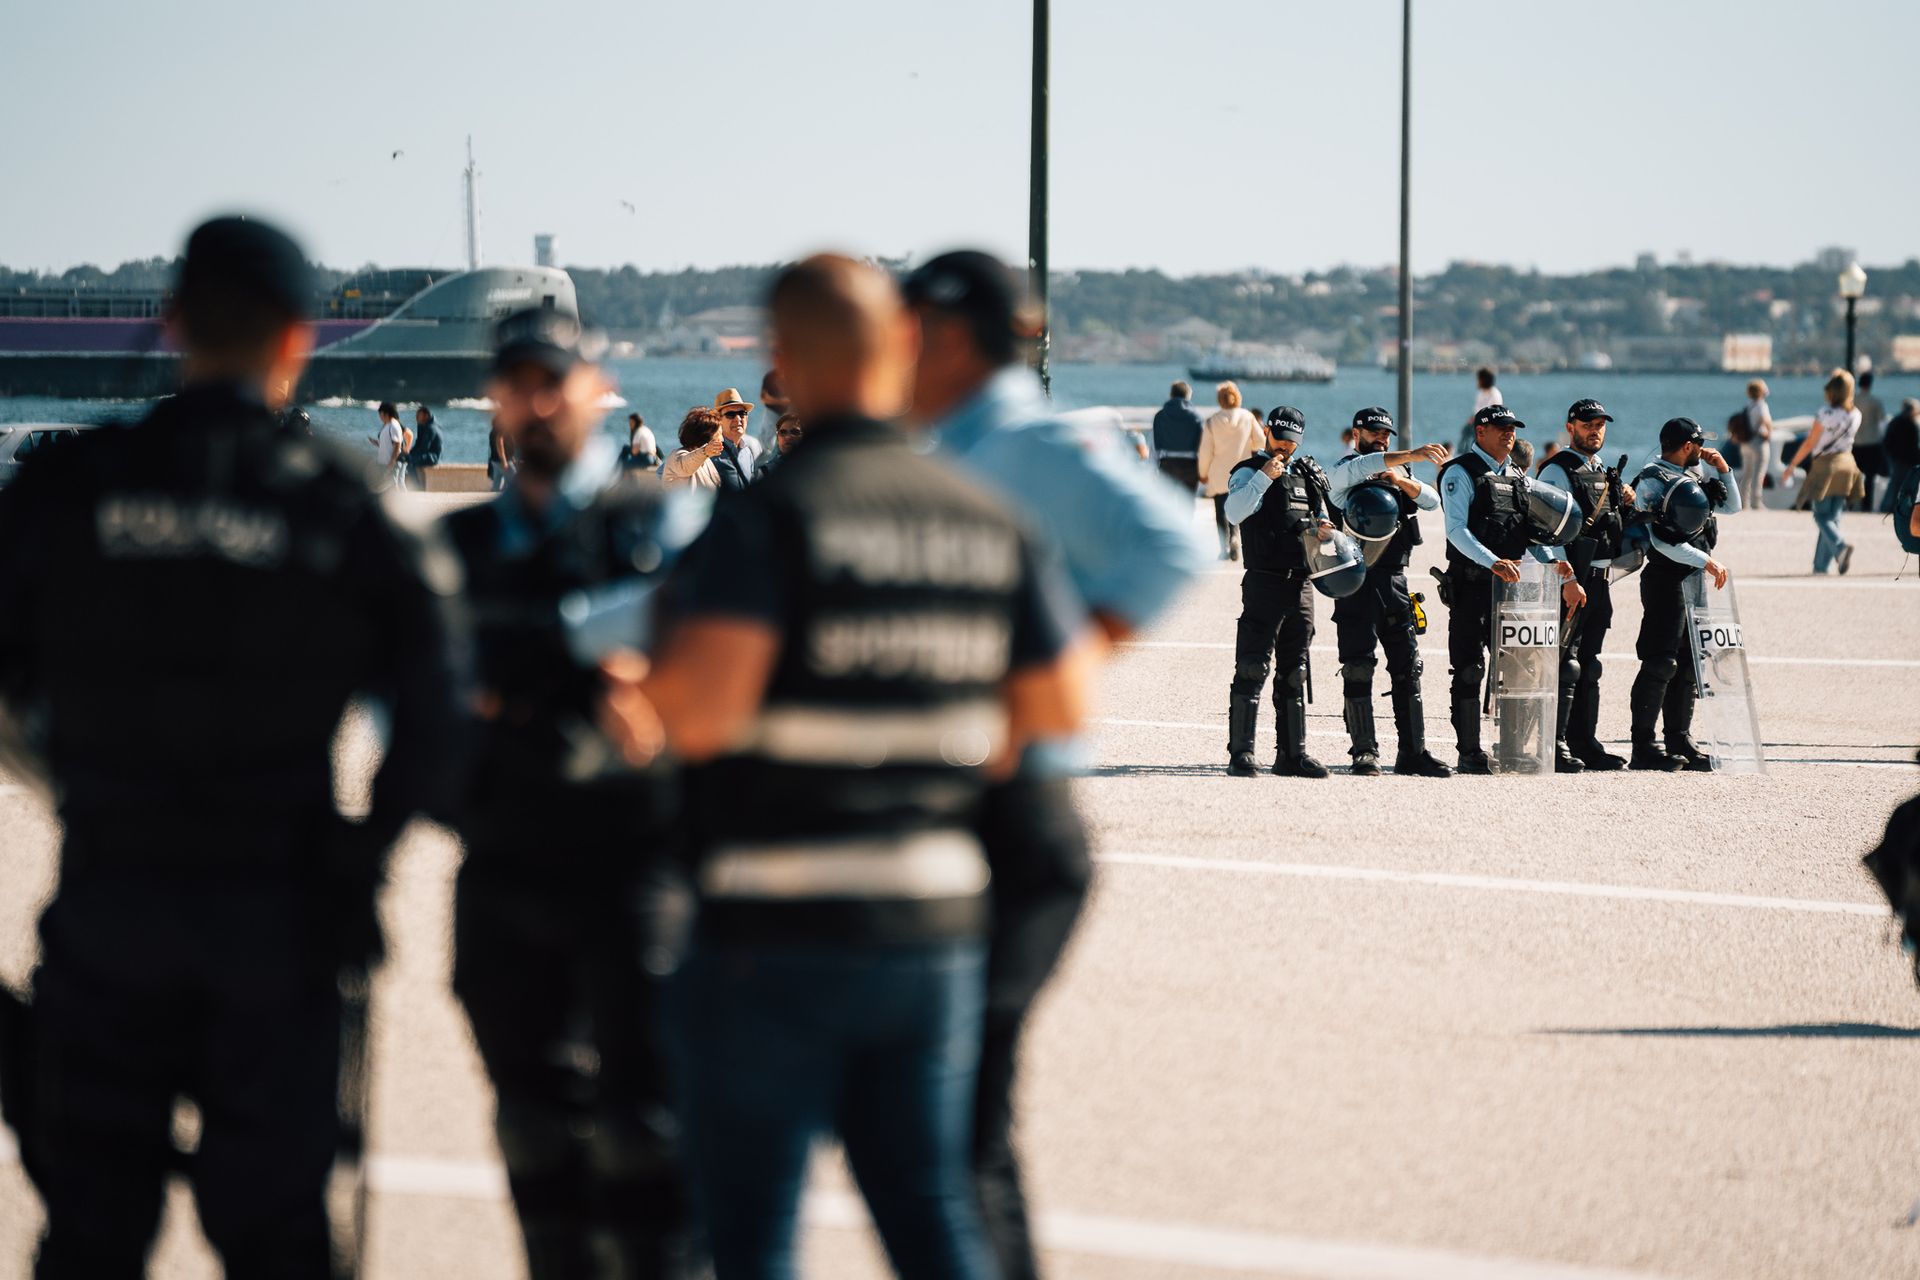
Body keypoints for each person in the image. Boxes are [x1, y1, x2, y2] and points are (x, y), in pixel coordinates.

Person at [600, 253, 1089, 1280]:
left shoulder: (775, 515)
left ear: (783, 359)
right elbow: (1056, 711)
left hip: (775, 925)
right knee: (933, 1216)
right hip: (934, 925)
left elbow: (707, 710)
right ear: (902, 345)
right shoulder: (982, 515)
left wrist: (640, 692)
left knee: (753, 1235)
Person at [0, 216, 466, 1278]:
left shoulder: (71, 488)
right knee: (279, 1238)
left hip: (111, 901)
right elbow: (439, 717)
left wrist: (72, 780)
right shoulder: (338, 505)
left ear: (173, 323)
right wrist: (363, 853)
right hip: (279, 913)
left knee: (90, 1236)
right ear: (299, 338)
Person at [904, 248, 1199, 1280]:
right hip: (950, 802)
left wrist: (1067, 666)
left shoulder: (1036, 441)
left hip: (1017, 806)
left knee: (959, 1115)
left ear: (947, 337)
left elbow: (1176, 543)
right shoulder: (943, 446)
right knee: (946, 1120)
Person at [443, 308, 697, 1277]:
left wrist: (518, 673)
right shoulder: (458, 547)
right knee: (533, 1126)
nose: (538, 402)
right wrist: (595, 669)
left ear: (596, 389)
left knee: (649, 1130)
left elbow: (709, 647)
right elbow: (417, 700)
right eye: (518, 384)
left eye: (555, 381)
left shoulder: (660, 522)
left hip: (637, 867)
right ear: (495, 399)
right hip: (505, 864)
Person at [1436, 404, 1582, 774]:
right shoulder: (1461, 472)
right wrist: (1492, 562)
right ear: (1480, 432)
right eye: (1501, 428)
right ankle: (1470, 752)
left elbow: (1529, 533)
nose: (1509, 433)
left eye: (1512, 428)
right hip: (1472, 585)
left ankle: (1515, 748)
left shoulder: (1516, 477)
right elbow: (1455, 530)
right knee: (1469, 670)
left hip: (1510, 589)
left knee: (1521, 669)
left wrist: (1557, 566)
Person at [1325, 407, 1452, 777]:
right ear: (1356, 434)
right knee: (1358, 667)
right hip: (1356, 582)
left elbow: (1431, 501)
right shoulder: (1343, 471)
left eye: (1386, 434)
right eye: (1375, 432)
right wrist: (1411, 454)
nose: (1381, 438)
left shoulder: (1400, 472)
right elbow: (1366, 465)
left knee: (1408, 667)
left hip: (1395, 580)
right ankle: (1364, 751)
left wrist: (1401, 480)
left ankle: (1413, 752)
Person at [1222, 407, 1336, 778]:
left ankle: (1292, 754)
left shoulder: (1306, 476)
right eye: (1281, 438)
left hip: (1301, 583)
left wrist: (1325, 529)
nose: (1285, 447)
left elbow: (1323, 517)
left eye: (1292, 442)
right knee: (1252, 666)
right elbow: (1234, 512)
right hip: (1264, 581)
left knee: (1295, 672)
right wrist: (1263, 478)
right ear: (1267, 432)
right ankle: (1242, 753)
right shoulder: (1248, 471)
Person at [1627, 417, 1739, 771]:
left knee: (1689, 664)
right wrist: (1707, 561)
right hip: (1665, 578)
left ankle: (1680, 740)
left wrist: (1724, 469)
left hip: (1692, 579)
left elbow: (1732, 507)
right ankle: (1644, 746)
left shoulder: (1693, 478)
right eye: (1700, 444)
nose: (1703, 450)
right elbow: (1661, 541)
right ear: (1688, 446)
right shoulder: (1651, 481)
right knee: (1661, 662)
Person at [1537, 400, 1635, 772]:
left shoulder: (1603, 472)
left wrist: (1626, 500)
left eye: (1599, 425)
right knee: (1566, 665)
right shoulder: (1557, 470)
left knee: (1589, 666)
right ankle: (1555, 743)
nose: (1594, 430)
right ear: (1570, 427)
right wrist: (1568, 579)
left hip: (1600, 580)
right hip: (1572, 580)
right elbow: (1547, 531)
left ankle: (1584, 742)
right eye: (1587, 424)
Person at [1786, 370, 1865, 575]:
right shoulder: (1856, 414)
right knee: (1834, 516)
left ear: (1831, 391)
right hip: (1847, 464)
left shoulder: (1825, 413)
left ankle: (1840, 546)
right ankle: (1821, 566)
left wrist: (1792, 465)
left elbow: (1810, 442)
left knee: (1821, 516)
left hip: (1826, 466)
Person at [1197, 380, 1264, 560]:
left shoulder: (1212, 421)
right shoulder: (1248, 417)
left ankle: (1224, 545)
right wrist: (1248, 446)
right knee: (1241, 506)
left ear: (1219, 399)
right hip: (1242, 471)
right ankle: (1236, 537)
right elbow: (1260, 442)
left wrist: (1202, 473)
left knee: (1221, 511)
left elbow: (1205, 452)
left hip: (1219, 474)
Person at [1151, 379, 1205, 493]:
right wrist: (1203, 472)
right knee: (1187, 503)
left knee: (1165, 503)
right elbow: (1202, 447)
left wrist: (1152, 470)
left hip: (1167, 465)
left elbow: (1154, 447)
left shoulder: (1160, 416)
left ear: (1171, 395)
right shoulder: (1196, 417)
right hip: (1190, 467)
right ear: (1188, 396)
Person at [662, 407, 724, 490]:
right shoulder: (677, 456)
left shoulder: (707, 461)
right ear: (705, 436)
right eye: (719, 434)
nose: (722, 439)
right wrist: (705, 452)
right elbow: (686, 466)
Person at [1737, 379, 1774, 510]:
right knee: (1759, 473)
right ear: (1761, 391)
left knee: (1746, 473)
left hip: (1746, 442)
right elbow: (1765, 420)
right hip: (1758, 442)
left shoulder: (1748, 406)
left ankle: (1743, 502)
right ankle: (1756, 502)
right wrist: (1769, 432)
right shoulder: (1761, 405)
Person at [1854, 370, 1888, 511]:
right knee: (1869, 478)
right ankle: (1866, 506)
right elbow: (1882, 424)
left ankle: (1852, 504)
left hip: (1855, 443)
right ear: (1870, 384)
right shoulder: (1875, 402)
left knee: (1854, 476)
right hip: (1872, 443)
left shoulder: (1852, 400)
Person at [712, 388, 759, 484]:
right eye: (730, 414)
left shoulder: (748, 452)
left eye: (742, 414)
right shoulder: (711, 453)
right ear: (718, 420)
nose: (738, 419)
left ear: (747, 418)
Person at [1884, 397, 1920, 515]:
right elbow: (1914, 445)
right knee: (1907, 485)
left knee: (1894, 484)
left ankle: (1887, 507)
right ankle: (1902, 508)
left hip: (1896, 458)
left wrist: (1891, 456)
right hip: (1908, 460)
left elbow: (1887, 441)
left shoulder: (1895, 421)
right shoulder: (1912, 424)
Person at [1458, 366, 1501, 457]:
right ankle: (1463, 454)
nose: (1477, 381)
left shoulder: (1494, 394)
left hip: (1489, 422)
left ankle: (1473, 454)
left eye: (1478, 379)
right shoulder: (1481, 393)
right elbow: (1476, 409)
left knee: (1474, 433)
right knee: (1465, 431)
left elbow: (1492, 411)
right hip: (1478, 420)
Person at [372, 399, 408, 491]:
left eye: (380, 414)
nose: (380, 417)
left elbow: (397, 445)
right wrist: (377, 443)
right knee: (389, 487)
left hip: (391, 463)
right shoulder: (388, 425)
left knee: (393, 487)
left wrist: (392, 462)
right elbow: (389, 444)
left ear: (386, 414)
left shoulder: (393, 425)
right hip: (386, 462)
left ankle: (402, 500)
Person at [406, 404, 443, 490]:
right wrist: (409, 452)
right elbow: (418, 443)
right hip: (427, 454)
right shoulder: (425, 425)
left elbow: (424, 448)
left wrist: (410, 455)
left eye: (418, 416)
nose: (416, 418)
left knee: (410, 463)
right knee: (406, 458)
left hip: (433, 457)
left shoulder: (430, 428)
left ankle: (416, 487)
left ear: (426, 416)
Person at [757, 412, 802, 476]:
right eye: (783, 432)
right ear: (777, 439)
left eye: (795, 432)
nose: (788, 437)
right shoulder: (765, 472)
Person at [754, 369, 790, 446]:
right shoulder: (769, 377)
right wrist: (782, 401)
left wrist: (772, 400)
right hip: (771, 412)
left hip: (787, 413)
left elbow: (794, 400)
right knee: (766, 438)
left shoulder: (792, 378)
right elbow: (763, 398)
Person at [489, 415, 516, 491]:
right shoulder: (501, 431)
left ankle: (499, 495)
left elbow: (507, 445)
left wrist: (512, 457)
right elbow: (499, 444)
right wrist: (504, 461)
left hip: (495, 460)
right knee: (514, 479)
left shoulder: (493, 431)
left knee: (497, 483)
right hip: (502, 461)